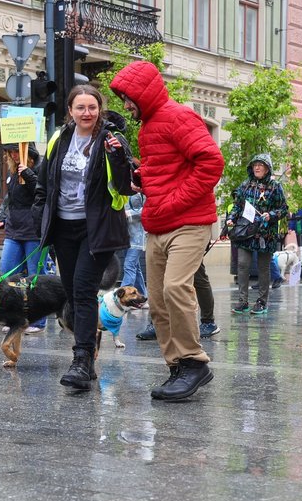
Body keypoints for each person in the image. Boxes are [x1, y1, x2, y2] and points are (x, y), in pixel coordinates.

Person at [111, 61, 223, 401]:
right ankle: (176, 367)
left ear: (143, 93)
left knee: (176, 288)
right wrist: (137, 174)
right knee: (157, 302)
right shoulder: (147, 128)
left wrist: (173, 200)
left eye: (128, 98)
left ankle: (194, 362)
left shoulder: (179, 116)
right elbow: (164, 170)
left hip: (189, 222)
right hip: (157, 224)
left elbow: (211, 162)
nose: (126, 105)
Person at [33, 84, 134, 390]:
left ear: (99, 109)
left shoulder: (111, 139)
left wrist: (117, 157)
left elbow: (125, 185)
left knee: (81, 288)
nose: (86, 113)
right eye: (80, 107)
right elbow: (45, 179)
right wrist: (41, 216)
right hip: (63, 227)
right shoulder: (59, 137)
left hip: (97, 227)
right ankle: (86, 360)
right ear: (71, 111)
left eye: (92, 107)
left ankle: (82, 359)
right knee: (73, 291)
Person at [225, 153, 289, 315]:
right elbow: (237, 206)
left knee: (263, 268)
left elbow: (283, 209)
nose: (257, 167)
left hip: (265, 234)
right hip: (245, 232)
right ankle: (242, 301)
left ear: (267, 168)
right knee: (242, 265)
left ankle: (262, 302)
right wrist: (231, 218)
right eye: (255, 165)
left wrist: (271, 215)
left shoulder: (275, 187)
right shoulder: (245, 185)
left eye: (261, 165)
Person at [0, 142, 46, 334]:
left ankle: (38, 322)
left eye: (16, 150)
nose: (13, 155)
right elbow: (9, 199)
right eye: (10, 152)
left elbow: (43, 193)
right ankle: (13, 318)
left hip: (33, 229)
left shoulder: (39, 168)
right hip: (14, 229)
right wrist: (1, 215)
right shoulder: (13, 172)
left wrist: (29, 176)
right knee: (7, 272)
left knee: (35, 277)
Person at [120, 191, 148, 299]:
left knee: (129, 265)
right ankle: (142, 295)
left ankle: (121, 297)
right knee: (135, 266)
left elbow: (148, 209)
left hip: (138, 235)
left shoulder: (143, 188)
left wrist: (129, 214)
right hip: (125, 235)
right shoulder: (122, 186)